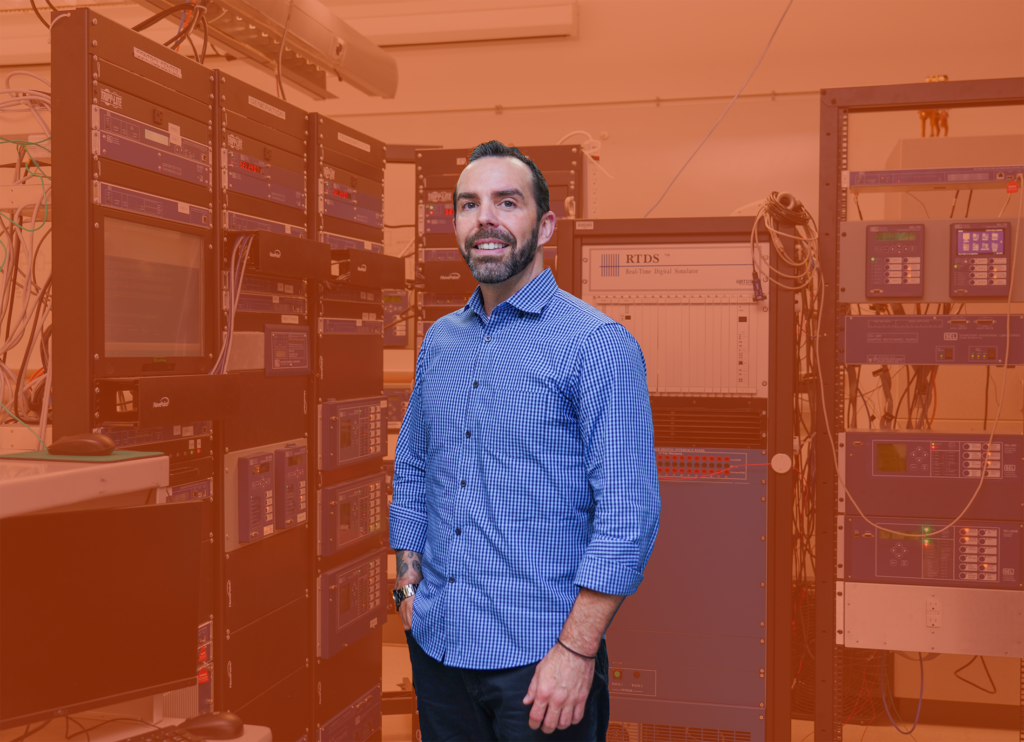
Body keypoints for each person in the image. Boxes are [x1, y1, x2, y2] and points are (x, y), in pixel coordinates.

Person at [389, 140, 660, 741]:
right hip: (438, 647)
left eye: (506, 202)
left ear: (544, 224)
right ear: (456, 222)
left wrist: (577, 651)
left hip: (541, 663)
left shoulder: (596, 345)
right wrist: (408, 585)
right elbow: (412, 468)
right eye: (469, 204)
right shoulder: (440, 341)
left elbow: (628, 514)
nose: (485, 218)